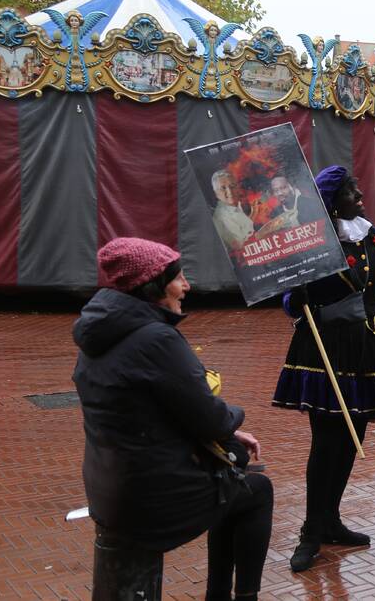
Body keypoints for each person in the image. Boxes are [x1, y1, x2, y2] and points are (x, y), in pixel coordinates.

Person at [73, 237, 272, 600]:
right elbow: (211, 417)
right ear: (153, 287)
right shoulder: (156, 339)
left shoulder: (100, 335)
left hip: (109, 488)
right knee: (255, 490)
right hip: (148, 499)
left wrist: (225, 435)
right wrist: (234, 419)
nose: (187, 286)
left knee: (235, 475)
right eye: (178, 277)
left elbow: (148, 412)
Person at [273, 166, 375, 573]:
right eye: (352, 192)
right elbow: (289, 298)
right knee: (328, 441)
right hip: (328, 347)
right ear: (332, 200)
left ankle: (331, 520)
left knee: (354, 436)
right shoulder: (314, 242)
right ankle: (310, 532)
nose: (361, 197)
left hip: (372, 345)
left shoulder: (368, 233)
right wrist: (296, 297)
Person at [211, 170, 257, 251]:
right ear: (216, 193)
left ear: (237, 187)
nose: (229, 192)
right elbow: (240, 246)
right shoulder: (220, 218)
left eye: (232, 186)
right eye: (223, 188)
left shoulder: (240, 204)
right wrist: (254, 215)